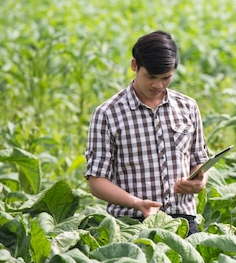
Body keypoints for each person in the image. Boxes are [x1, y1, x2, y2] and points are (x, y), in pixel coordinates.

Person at [85, 31, 209, 236]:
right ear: (135, 66)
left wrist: (199, 182)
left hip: (183, 221)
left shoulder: (188, 107)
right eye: (151, 77)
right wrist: (136, 203)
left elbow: (199, 160)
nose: (158, 85)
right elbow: (97, 182)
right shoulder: (107, 114)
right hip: (131, 224)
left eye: (166, 78)